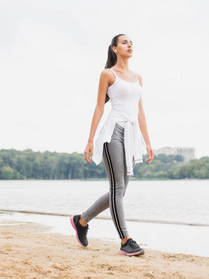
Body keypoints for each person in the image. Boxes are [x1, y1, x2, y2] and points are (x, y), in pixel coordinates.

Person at [70, 34, 154, 256]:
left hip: (131, 134)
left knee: (120, 190)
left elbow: (140, 112)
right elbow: (99, 108)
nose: (129, 45)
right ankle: (126, 240)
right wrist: (90, 140)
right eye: (124, 42)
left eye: (131, 42)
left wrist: (148, 142)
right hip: (112, 133)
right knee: (117, 188)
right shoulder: (108, 74)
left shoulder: (138, 78)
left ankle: (82, 220)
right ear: (114, 48)